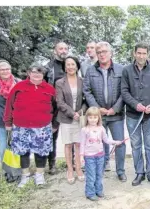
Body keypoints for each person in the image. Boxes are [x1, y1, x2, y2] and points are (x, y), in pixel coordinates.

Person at [3, 65, 58, 187]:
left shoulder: (50, 89)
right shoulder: (19, 86)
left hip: (42, 127)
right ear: (29, 73)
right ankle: (25, 175)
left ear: (43, 75)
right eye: (34, 72)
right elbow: (9, 105)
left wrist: (55, 124)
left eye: (40, 72)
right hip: (21, 126)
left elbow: (56, 109)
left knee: (41, 152)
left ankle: (39, 175)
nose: (37, 75)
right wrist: (8, 122)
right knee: (23, 152)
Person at [83, 41, 126, 179]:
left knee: (119, 142)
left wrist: (116, 108)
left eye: (104, 52)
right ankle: (101, 169)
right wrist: (96, 109)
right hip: (99, 116)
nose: (102, 55)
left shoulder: (121, 69)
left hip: (116, 114)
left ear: (110, 53)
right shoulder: (90, 70)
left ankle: (120, 171)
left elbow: (124, 91)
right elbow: (87, 91)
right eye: (99, 52)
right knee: (100, 142)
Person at [121, 42, 150, 187]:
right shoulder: (126, 71)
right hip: (132, 115)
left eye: (144, 53)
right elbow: (124, 91)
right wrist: (135, 104)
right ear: (134, 53)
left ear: (148, 54)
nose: (141, 56)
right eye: (139, 53)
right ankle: (139, 173)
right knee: (136, 145)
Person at [80, 107, 122, 201]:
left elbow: (106, 140)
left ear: (98, 118)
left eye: (95, 117)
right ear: (87, 118)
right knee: (91, 176)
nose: (93, 119)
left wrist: (115, 142)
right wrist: (81, 156)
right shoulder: (84, 130)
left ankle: (99, 190)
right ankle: (90, 193)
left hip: (100, 156)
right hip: (89, 157)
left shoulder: (101, 128)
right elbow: (82, 144)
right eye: (90, 117)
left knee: (99, 174)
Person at [55, 56, 87, 184]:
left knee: (79, 144)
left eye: (72, 64)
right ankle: (69, 169)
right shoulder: (59, 82)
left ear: (77, 66)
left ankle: (78, 168)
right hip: (66, 118)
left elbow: (86, 100)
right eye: (68, 64)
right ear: (65, 67)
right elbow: (60, 102)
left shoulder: (83, 81)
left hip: (80, 118)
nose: (70, 67)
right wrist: (71, 113)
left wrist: (79, 113)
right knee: (68, 145)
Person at [44, 41, 69, 175]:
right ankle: (52, 164)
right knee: (52, 136)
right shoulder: (48, 67)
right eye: (61, 48)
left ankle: (72, 162)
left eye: (65, 48)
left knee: (72, 135)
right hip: (53, 108)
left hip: (69, 106)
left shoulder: (71, 65)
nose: (63, 51)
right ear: (55, 51)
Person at [0, 60, 21, 162]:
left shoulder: (18, 82)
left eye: (7, 69)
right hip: (1, 120)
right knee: (4, 147)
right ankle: (7, 171)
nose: (5, 71)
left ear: (10, 70)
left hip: (16, 120)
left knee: (16, 145)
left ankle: (17, 169)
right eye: (2, 70)